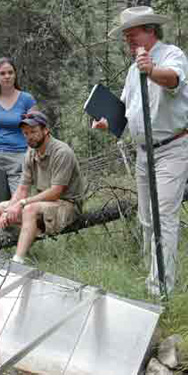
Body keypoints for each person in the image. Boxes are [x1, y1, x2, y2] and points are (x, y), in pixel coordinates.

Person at [93, 6, 188, 295]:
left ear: (150, 30)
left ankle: (161, 291)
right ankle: (153, 279)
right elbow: (126, 110)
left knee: (164, 220)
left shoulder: (171, 55)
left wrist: (152, 70)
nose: (128, 41)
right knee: (147, 219)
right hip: (143, 153)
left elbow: (173, 79)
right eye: (125, 37)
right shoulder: (134, 69)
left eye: (132, 35)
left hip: (172, 149)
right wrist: (107, 121)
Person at [0, 111, 83, 264]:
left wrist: (23, 203)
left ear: (45, 130)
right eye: (25, 133)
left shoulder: (62, 152)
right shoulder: (30, 153)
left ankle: (18, 261)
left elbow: (56, 192)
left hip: (67, 205)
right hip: (44, 204)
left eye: (34, 132)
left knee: (29, 209)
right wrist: (8, 209)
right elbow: (22, 189)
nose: (29, 136)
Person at [0, 57, 36, 204]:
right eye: (2, 73)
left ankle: (22, 227)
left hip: (20, 156)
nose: (7, 76)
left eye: (10, 72)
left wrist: (32, 156)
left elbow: (35, 131)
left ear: (15, 75)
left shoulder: (27, 100)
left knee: (19, 202)